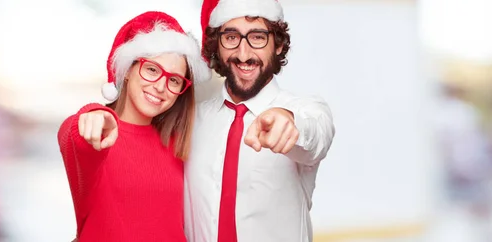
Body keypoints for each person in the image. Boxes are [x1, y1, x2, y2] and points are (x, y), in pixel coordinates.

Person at [184, 0, 336, 241]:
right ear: (217, 46)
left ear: (277, 44)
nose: (244, 55)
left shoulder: (305, 110)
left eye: (257, 37)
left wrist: (290, 123)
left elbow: (317, 133)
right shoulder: (192, 121)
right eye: (231, 37)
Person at [57, 11, 211, 242]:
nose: (161, 86)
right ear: (128, 69)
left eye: (174, 80)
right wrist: (91, 115)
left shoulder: (178, 143)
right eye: (152, 69)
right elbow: (74, 134)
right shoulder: (100, 135)